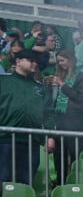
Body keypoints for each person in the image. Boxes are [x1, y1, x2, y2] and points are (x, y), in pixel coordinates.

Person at [0, 48, 54, 184]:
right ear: (18, 61)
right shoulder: (3, 82)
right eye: (31, 60)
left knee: (26, 182)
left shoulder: (41, 88)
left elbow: (48, 114)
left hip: (32, 141)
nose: (34, 64)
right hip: (4, 139)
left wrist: (50, 136)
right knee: (3, 180)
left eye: (36, 61)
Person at [50, 49, 83, 182]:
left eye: (62, 60)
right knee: (59, 156)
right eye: (58, 61)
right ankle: (59, 182)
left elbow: (80, 98)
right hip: (60, 121)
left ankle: (75, 182)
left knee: (75, 155)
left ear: (70, 60)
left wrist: (62, 86)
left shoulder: (82, 77)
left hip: (75, 123)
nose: (60, 64)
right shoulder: (59, 75)